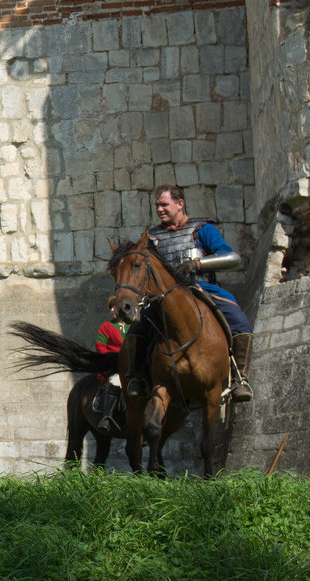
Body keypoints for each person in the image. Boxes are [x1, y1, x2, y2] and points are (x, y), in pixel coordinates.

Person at [122, 183, 254, 403]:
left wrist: (196, 265)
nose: (160, 210)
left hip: (202, 288)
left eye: (164, 205)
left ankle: (240, 379)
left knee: (239, 321)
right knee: (138, 328)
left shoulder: (202, 229)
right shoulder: (152, 238)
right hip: (164, 296)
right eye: (157, 205)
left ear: (180, 204)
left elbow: (233, 258)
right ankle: (137, 377)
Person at [93, 299, 129, 430]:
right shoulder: (106, 326)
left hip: (134, 364)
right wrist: (113, 359)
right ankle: (107, 417)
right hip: (114, 365)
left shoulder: (134, 326)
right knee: (115, 381)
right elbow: (100, 346)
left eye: (115, 307)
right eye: (111, 307)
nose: (113, 310)